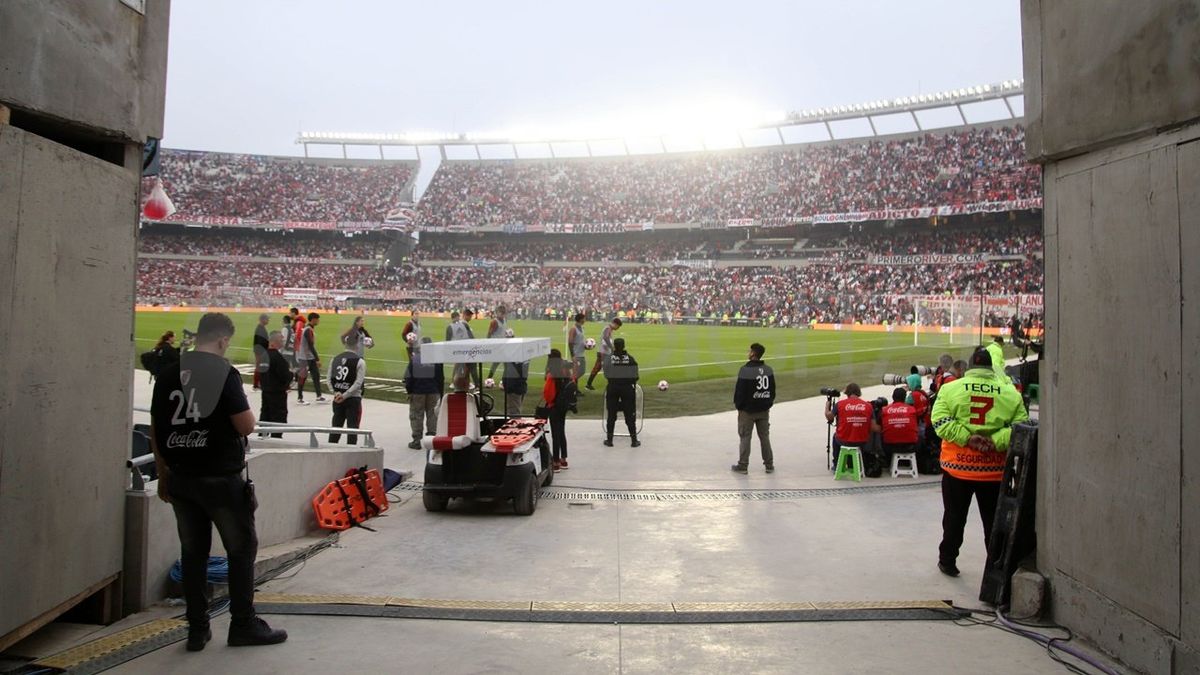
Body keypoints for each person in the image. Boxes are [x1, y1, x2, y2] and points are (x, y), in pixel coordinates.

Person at [149, 313, 287, 651]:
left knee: (193, 553)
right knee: (241, 549)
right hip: (219, 478)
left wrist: (164, 475)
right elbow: (245, 425)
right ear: (223, 340)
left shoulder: (167, 373)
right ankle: (242, 624)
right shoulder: (223, 372)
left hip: (181, 476)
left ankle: (197, 630)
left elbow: (156, 430)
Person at [931, 347, 1030, 577]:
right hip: (994, 472)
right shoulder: (1010, 393)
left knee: (954, 519)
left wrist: (968, 439)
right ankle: (996, 569)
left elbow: (940, 422)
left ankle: (947, 561)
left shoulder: (950, 389)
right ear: (990, 367)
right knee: (993, 525)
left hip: (957, 469)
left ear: (970, 367)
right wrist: (994, 441)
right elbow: (1020, 429)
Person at [731, 342, 776, 474]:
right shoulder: (768, 370)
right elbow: (772, 391)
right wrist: (767, 403)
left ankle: (743, 465)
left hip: (748, 411)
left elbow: (740, 391)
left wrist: (739, 407)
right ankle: (769, 464)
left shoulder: (745, 370)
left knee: (745, 437)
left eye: (750, 351)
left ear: (753, 354)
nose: (748, 353)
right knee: (765, 437)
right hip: (763, 410)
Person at [403, 337, 444, 449]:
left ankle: (416, 441)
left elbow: (408, 377)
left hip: (417, 392)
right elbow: (441, 378)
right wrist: (440, 393)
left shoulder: (415, 359)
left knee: (416, 415)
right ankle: (431, 439)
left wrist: (409, 391)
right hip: (433, 391)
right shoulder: (437, 360)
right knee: (432, 415)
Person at [541, 349, 576, 470]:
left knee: (555, 433)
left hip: (554, 405)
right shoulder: (566, 369)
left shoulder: (552, 372)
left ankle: (556, 462)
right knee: (561, 431)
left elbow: (548, 392)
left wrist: (549, 402)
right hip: (564, 405)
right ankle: (564, 459)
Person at [602, 337, 640, 447]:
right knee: (629, 414)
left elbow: (606, 373)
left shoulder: (609, 359)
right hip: (627, 389)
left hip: (613, 387)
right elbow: (636, 376)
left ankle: (609, 440)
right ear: (623, 346)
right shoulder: (630, 358)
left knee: (611, 414)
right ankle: (634, 440)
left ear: (614, 346)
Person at [824, 383, 872, 470]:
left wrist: (827, 406)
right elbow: (872, 426)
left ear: (847, 393)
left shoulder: (840, 404)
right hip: (863, 441)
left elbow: (829, 416)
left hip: (844, 440)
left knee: (836, 436)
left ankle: (836, 464)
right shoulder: (868, 406)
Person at [327, 340, 365, 444]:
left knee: (336, 426)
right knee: (352, 427)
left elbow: (329, 379)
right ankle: (351, 452)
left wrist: (336, 393)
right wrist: (345, 395)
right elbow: (358, 383)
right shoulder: (360, 361)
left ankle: (331, 449)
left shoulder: (334, 359)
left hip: (337, 399)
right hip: (353, 399)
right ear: (357, 346)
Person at [258, 330, 292, 438]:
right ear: (275, 341)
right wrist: (291, 375)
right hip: (277, 393)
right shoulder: (278, 358)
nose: (283, 341)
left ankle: (262, 437)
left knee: (265, 415)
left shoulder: (263, 355)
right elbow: (285, 375)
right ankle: (276, 440)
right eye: (281, 339)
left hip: (265, 391)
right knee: (278, 418)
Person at [876, 387, 919, 465]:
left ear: (893, 397)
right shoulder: (912, 409)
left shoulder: (884, 410)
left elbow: (878, 427)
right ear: (904, 398)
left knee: (880, 434)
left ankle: (886, 460)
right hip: (911, 446)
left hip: (889, 447)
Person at [295, 312, 324, 405]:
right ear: (313, 319)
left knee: (316, 376)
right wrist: (317, 359)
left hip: (309, 357)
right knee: (302, 377)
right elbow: (311, 346)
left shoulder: (309, 329)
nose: (318, 321)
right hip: (305, 358)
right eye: (317, 319)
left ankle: (319, 396)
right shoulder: (308, 330)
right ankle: (300, 398)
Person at [586, 317, 622, 391]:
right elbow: (605, 338)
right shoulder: (608, 328)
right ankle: (612, 386)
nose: (618, 328)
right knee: (607, 369)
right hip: (603, 353)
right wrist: (612, 348)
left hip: (604, 352)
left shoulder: (609, 329)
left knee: (598, 368)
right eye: (618, 327)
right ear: (615, 324)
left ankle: (588, 384)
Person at [486, 305, 508, 380]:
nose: (502, 315)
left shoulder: (505, 320)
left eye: (503, 313)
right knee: (506, 363)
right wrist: (488, 343)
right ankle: (504, 380)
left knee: (497, 363)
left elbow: (503, 331)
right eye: (500, 313)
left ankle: (489, 378)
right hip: (497, 345)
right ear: (497, 313)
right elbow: (489, 333)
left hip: (503, 344)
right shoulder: (495, 322)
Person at [567, 312, 587, 383]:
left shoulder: (582, 328)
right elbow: (570, 342)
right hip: (576, 355)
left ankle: (574, 388)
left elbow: (580, 341)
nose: (585, 320)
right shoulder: (573, 329)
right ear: (581, 319)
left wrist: (586, 346)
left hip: (582, 353)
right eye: (584, 319)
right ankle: (569, 384)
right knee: (578, 372)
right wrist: (573, 355)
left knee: (580, 371)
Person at [252, 314, 270, 391]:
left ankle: (258, 383)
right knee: (259, 367)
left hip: (261, 350)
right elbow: (260, 341)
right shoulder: (260, 329)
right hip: (260, 351)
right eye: (267, 319)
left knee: (260, 366)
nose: (268, 321)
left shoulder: (261, 328)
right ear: (262, 320)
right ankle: (256, 384)